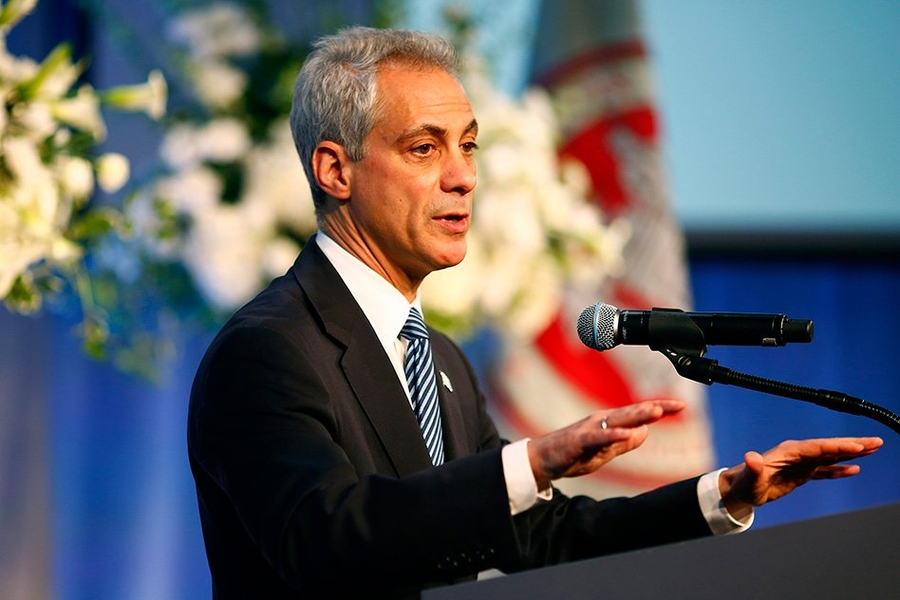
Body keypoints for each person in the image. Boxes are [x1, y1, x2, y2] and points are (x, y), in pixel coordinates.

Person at [187, 26, 882, 598]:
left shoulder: (439, 358)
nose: (462, 176)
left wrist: (722, 493)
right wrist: (532, 462)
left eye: (468, 146)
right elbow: (326, 544)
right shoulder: (269, 351)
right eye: (425, 148)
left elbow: (532, 538)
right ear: (334, 170)